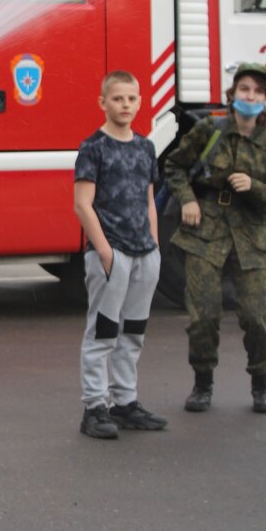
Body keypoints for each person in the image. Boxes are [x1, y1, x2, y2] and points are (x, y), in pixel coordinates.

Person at [163, 61, 266, 414]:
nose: (250, 96)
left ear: (265, 99)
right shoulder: (210, 129)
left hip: (252, 234)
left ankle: (261, 385)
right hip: (205, 230)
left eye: (257, 91)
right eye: (244, 89)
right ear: (233, 94)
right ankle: (203, 383)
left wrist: (254, 187)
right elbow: (174, 166)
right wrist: (188, 199)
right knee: (203, 316)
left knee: (257, 316)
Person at [74, 70, 167, 439]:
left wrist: (155, 245)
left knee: (133, 331)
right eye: (117, 98)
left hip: (145, 252)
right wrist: (105, 252)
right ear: (103, 102)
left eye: (131, 98)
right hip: (112, 254)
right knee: (103, 331)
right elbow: (83, 204)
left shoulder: (145, 147)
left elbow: (148, 200)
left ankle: (125, 402)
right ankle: (95, 407)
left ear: (140, 102)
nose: (125, 105)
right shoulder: (93, 148)